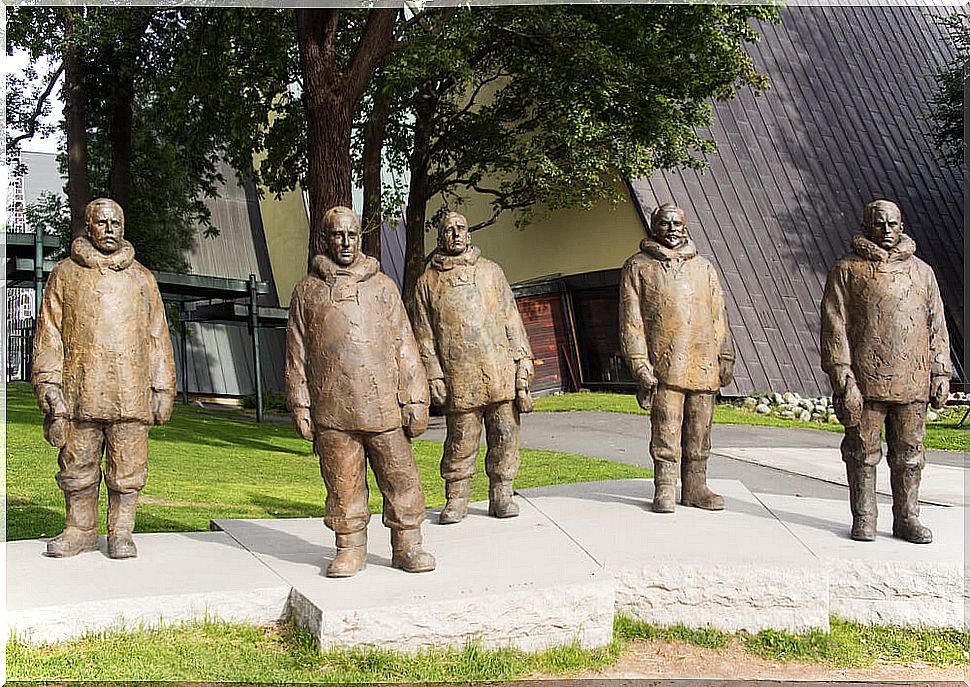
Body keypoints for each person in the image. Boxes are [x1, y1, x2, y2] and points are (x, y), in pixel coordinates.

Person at [285, 206, 435, 576]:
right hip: (333, 408)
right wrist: (301, 405)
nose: (345, 242)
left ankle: (408, 544)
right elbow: (296, 353)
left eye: (352, 235)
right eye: (337, 235)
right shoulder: (307, 291)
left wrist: (415, 395)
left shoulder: (383, 287)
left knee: (400, 476)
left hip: (384, 405)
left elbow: (404, 342)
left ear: (360, 238)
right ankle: (350, 547)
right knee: (342, 482)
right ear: (325, 239)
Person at [32, 198, 177, 559]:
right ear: (89, 227)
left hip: (130, 392)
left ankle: (121, 531)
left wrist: (162, 387)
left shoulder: (141, 279)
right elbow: (49, 333)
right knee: (77, 464)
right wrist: (49, 383)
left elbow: (158, 335)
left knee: (128, 468)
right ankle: (79, 528)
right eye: (102, 223)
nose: (110, 229)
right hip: (79, 392)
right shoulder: (64, 274)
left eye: (116, 223)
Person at [821, 199, 950, 544]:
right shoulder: (847, 270)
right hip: (865, 381)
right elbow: (835, 325)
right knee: (861, 451)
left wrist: (940, 371)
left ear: (902, 226)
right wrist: (842, 375)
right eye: (879, 224)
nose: (887, 231)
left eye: (893, 224)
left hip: (913, 379)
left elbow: (936, 324)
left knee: (910, 453)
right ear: (866, 227)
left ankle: (907, 517)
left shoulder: (922, 272)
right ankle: (864, 516)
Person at [412, 211, 534, 524]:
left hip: (499, 373)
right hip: (459, 376)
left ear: (469, 234)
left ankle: (502, 493)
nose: (455, 234)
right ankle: (456, 498)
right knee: (460, 441)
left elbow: (512, 320)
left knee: (506, 435)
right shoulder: (427, 283)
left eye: (460, 228)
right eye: (448, 230)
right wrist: (433, 374)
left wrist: (523, 363)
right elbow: (423, 335)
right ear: (440, 238)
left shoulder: (492, 272)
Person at [619, 203, 735, 513]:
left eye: (677, 222)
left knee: (700, 431)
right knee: (666, 430)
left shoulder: (704, 268)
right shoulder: (638, 267)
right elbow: (632, 322)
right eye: (664, 223)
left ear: (685, 225)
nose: (671, 228)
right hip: (664, 366)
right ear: (654, 227)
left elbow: (718, 315)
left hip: (703, 363)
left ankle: (695, 487)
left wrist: (726, 354)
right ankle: (665, 487)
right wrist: (640, 364)